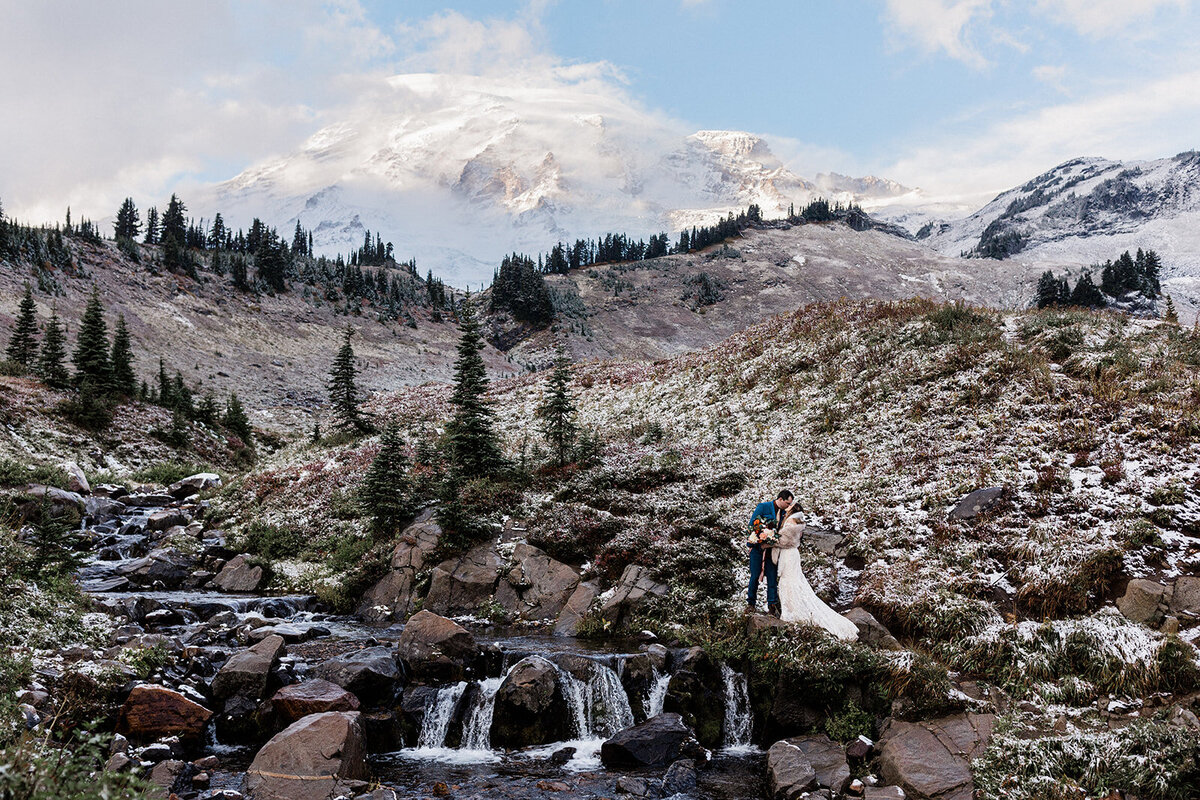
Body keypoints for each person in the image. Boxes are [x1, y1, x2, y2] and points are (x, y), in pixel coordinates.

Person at [772, 504, 858, 640]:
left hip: (789, 553)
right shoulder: (797, 520)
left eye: (789, 505)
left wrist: (770, 539)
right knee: (793, 580)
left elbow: (784, 540)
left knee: (789, 581)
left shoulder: (791, 521)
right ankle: (791, 608)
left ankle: (792, 611)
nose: (786, 507)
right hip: (792, 553)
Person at [746, 490, 794, 616]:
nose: (788, 506)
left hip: (773, 550)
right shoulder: (763, 506)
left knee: (772, 578)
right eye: (787, 503)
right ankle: (751, 604)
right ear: (780, 499)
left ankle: (772, 606)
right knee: (755, 576)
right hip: (758, 548)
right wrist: (760, 537)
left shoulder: (785, 513)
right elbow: (752, 524)